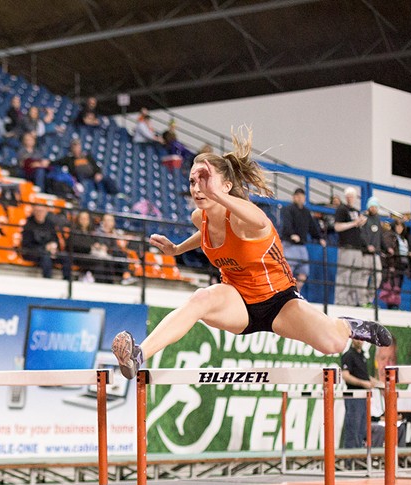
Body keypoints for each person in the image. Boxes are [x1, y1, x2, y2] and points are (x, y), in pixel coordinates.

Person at [110, 129, 392, 381]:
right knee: (200, 299)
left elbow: (261, 222)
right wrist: (176, 249)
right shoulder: (201, 217)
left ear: (227, 186)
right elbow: (206, 235)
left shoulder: (244, 219)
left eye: (205, 179)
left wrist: (217, 195)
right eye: (193, 181)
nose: (197, 187)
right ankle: (138, 354)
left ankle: (347, 325)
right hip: (237, 302)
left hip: (279, 302)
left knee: (332, 344)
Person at [279, 188, 326, 292]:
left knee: (304, 272)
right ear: (294, 197)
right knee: (288, 270)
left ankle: (296, 291)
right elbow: (286, 224)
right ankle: (285, 292)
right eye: (298, 196)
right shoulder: (288, 209)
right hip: (289, 244)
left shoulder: (306, 212)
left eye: (302, 197)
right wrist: (292, 234)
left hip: (301, 246)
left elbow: (312, 227)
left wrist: (319, 238)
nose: (300, 199)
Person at [332, 187, 369, 307]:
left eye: (352, 196)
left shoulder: (356, 211)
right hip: (346, 247)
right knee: (344, 274)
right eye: (348, 196)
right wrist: (354, 223)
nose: (350, 198)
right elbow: (337, 227)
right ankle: (340, 301)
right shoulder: (341, 209)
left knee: (356, 276)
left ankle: (352, 302)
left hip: (357, 248)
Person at [340, 339, 377, 449]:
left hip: (363, 396)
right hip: (354, 396)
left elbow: (364, 376)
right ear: (352, 339)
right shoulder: (348, 355)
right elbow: (345, 375)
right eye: (357, 338)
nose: (360, 341)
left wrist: (379, 384)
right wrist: (363, 383)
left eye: (362, 339)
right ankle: (350, 462)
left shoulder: (362, 356)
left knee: (361, 430)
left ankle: (358, 459)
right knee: (353, 430)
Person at [20, 203, 71, 280]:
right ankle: (48, 280)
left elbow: (55, 239)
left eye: (42, 211)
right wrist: (44, 247)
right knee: (45, 257)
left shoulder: (50, 224)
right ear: (34, 212)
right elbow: (26, 244)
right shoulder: (28, 225)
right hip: (33, 252)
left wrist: (54, 246)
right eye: (38, 211)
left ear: (46, 212)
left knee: (65, 257)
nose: (40, 213)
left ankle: (67, 281)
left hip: (48, 251)